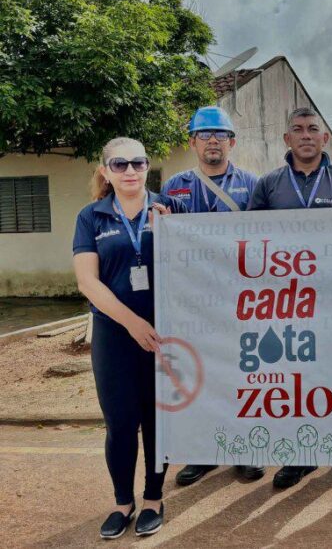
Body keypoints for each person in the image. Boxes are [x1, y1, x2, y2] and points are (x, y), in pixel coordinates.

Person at [247, 106, 332, 488]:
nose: (305, 135)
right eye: (298, 129)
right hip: (289, 302)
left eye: (312, 129)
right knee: (298, 381)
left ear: (324, 138)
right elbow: (248, 238)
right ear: (287, 138)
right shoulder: (268, 184)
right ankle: (301, 454)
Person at [73, 137, 187, 539]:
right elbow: (88, 282)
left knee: (159, 421)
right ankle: (123, 502)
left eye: (138, 162)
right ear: (106, 171)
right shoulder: (91, 216)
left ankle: (153, 498)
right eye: (119, 164)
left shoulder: (169, 209)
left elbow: (192, 270)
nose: (130, 171)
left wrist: (171, 234)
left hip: (166, 332)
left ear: (147, 166)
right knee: (120, 423)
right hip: (114, 334)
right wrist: (132, 323)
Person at [162, 106, 262, 486]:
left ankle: (247, 449)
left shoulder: (252, 185)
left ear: (232, 142)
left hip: (242, 301)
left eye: (221, 134)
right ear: (192, 142)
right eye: (205, 135)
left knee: (244, 375)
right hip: (194, 303)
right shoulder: (175, 187)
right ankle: (204, 452)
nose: (213, 141)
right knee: (200, 375)